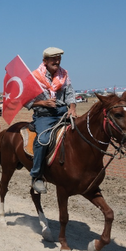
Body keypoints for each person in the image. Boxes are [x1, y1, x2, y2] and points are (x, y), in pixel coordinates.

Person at [25, 47, 77, 194]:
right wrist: (43, 103)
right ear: (45, 61)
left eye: (59, 58)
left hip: (62, 113)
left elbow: (70, 93)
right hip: (44, 116)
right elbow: (26, 101)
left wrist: (72, 108)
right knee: (43, 140)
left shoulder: (64, 74)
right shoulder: (34, 77)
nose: (57, 61)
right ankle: (36, 176)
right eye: (53, 59)